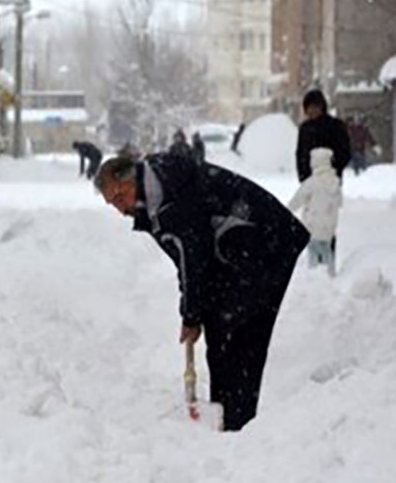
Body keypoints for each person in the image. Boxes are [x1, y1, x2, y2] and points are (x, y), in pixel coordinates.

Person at [94, 153, 309, 431]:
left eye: (119, 198)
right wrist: (193, 310)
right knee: (223, 325)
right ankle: (231, 416)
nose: (120, 210)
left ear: (131, 179)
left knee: (232, 327)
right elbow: (186, 260)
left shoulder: (169, 197)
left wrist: (192, 316)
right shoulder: (158, 191)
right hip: (248, 246)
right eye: (113, 204)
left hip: (265, 243)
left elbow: (194, 257)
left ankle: (234, 423)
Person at [288, 148, 343, 277]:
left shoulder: (311, 183)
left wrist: (288, 210)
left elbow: (297, 200)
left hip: (313, 225)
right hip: (329, 226)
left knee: (313, 254)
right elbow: (340, 203)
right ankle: (330, 275)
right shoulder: (335, 182)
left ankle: (314, 279)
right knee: (327, 252)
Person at [296, 89, 350, 182]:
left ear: (322, 107)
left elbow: (345, 150)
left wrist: (335, 167)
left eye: (315, 107)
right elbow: (300, 153)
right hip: (309, 178)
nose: (312, 110)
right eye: (309, 107)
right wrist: (303, 175)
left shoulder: (335, 126)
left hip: (331, 177)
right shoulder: (305, 129)